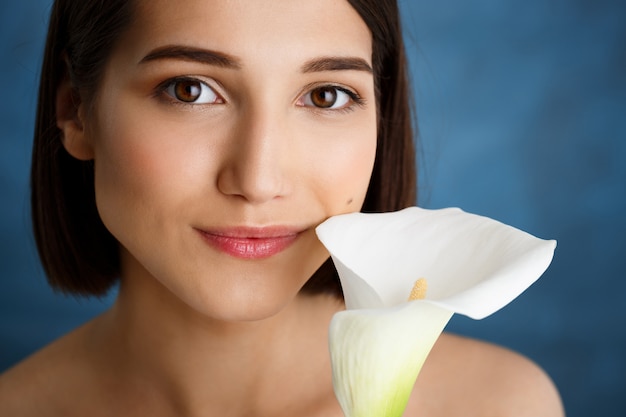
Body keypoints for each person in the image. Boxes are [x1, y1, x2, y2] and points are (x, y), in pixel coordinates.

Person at [0, 0, 564, 415]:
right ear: (76, 111)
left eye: (326, 95)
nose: (259, 180)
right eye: (190, 90)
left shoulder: (502, 404)